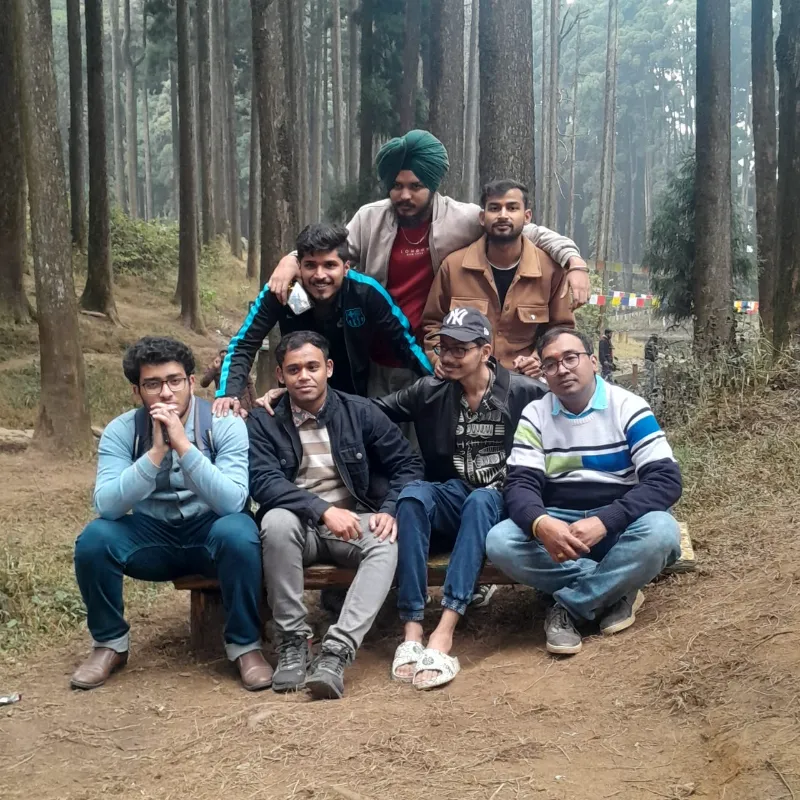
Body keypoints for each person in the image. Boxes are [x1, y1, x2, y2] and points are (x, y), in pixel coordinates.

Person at [266, 129, 590, 399]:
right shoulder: (370, 219)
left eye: (416, 186)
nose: (405, 195)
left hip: (431, 356)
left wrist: (574, 263)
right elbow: (328, 253)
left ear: (432, 186)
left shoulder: (461, 218)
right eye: (397, 186)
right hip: (374, 356)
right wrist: (290, 261)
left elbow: (527, 232)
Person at [71, 337, 271, 691]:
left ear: (191, 382)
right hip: (151, 536)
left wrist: (184, 446)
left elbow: (233, 500)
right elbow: (107, 505)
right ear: (137, 391)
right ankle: (109, 643)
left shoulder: (223, 422)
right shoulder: (122, 430)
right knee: (94, 541)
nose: (166, 393)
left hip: (210, 532)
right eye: (152, 384)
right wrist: (156, 453)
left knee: (240, 531)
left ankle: (245, 645)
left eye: (175, 381)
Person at [372, 308, 547, 689]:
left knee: (481, 500)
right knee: (413, 496)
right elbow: (372, 411)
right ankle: (413, 628)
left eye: (459, 349)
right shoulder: (430, 391)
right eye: (444, 348)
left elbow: (566, 411)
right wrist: (298, 398)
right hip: (455, 491)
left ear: (485, 352)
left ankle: (445, 629)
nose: (448, 357)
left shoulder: (523, 391)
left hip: (503, 499)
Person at [247, 331, 424, 700]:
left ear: (328, 368)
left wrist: (389, 509)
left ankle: (337, 651)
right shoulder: (264, 421)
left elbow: (407, 464)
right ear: (280, 375)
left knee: (385, 541)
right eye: (294, 369)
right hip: (299, 525)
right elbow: (263, 482)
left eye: (312, 367)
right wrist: (322, 510)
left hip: (352, 523)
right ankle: (293, 640)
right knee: (274, 522)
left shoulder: (359, 412)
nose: (304, 376)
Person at [485, 327, 683, 655]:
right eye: (550, 364)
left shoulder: (628, 407)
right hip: (562, 525)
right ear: (543, 373)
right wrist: (542, 524)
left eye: (570, 358)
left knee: (661, 532)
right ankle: (618, 588)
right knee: (500, 541)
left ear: (593, 361)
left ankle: (569, 607)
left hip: (620, 526)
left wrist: (606, 520)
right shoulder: (535, 415)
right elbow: (520, 484)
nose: (562, 369)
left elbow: (665, 479)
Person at [212, 223, 433, 418]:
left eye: (329, 265)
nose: (319, 275)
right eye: (310, 265)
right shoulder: (283, 291)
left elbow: (405, 343)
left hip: (354, 399)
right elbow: (244, 343)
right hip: (297, 398)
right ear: (299, 266)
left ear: (346, 267)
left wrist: (436, 381)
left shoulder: (366, 292)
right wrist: (229, 393)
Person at [422, 179, 574, 379]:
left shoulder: (550, 270)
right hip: (464, 379)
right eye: (494, 208)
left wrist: (539, 358)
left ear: (527, 216)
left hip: (525, 380)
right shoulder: (454, 266)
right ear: (482, 217)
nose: (503, 215)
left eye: (512, 208)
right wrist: (439, 359)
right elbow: (432, 323)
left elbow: (561, 328)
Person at [201, 348, 257, 412]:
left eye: (226, 353)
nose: (224, 355)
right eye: (222, 353)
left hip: (243, 405)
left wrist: (255, 405)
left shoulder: (238, 364)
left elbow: (250, 384)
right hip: (224, 405)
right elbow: (204, 383)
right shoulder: (215, 365)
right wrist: (214, 369)